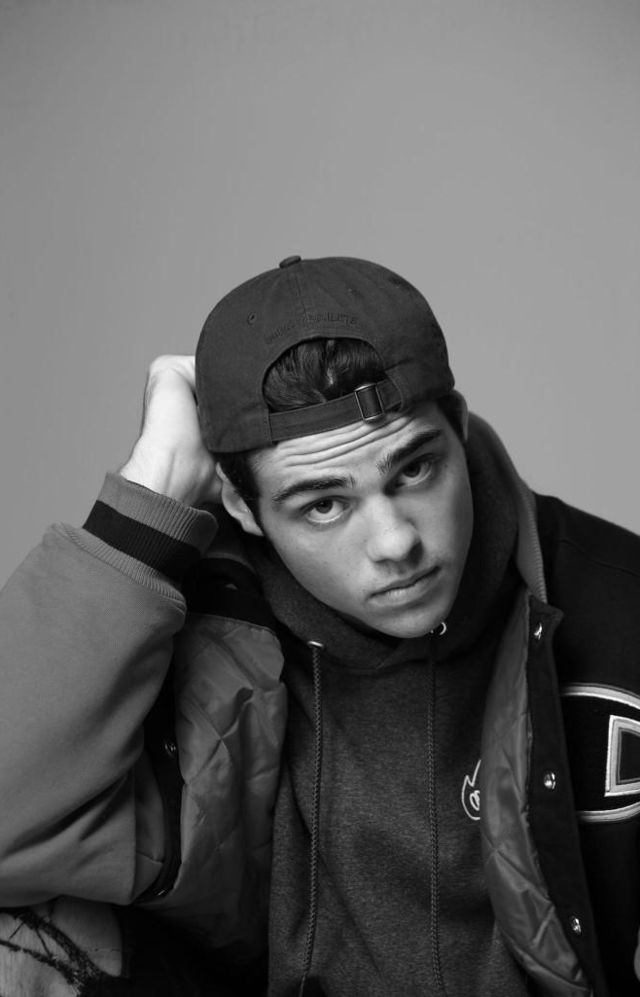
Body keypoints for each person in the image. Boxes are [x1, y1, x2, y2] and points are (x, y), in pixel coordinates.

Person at [0, 255, 639, 997]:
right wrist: (150, 494)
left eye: (414, 470)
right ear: (241, 508)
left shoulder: (615, 605)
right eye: (324, 505)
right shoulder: (209, 625)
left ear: (459, 429)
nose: (395, 542)